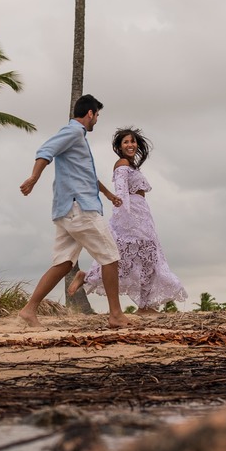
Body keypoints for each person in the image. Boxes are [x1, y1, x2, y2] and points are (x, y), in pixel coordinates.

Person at [18, 94, 131, 328]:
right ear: (90, 113)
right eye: (97, 115)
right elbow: (45, 150)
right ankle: (116, 315)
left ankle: (29, 310)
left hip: (67, 209)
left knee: (64, 262)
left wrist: (109, 195)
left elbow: (86, 175)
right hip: (80, 208)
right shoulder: (74, 132)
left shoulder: (78, 138)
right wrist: (34, 177)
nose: (97, 120)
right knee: (110, 256)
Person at [69, 127, 188, 314]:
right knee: (130, 258)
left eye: (132, 141)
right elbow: (122, 191)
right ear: (119, 146)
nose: (130, 145)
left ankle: (144, 304)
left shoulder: (132, 165)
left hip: (141, 214)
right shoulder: (122, 164)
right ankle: (90, 278)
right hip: (130, 217)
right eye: (126, 142)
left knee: (144, 259)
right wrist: (124, 217)